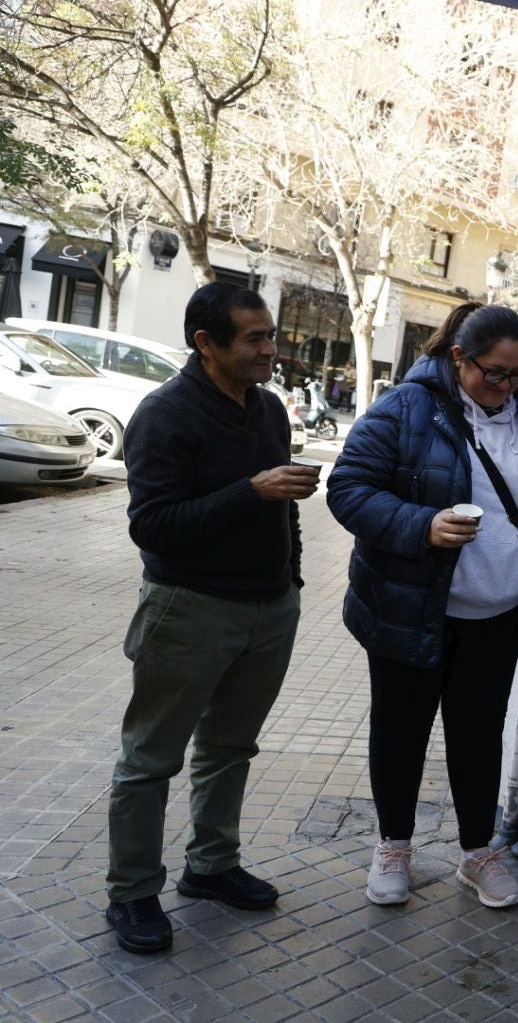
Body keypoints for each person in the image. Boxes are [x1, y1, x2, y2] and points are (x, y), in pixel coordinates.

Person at [326, 303, 518, 909]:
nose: (506, 386)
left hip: (499, 614)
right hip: (411, 608)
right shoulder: (406, 408)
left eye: (517, 373)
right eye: (493, 373)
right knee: (400, 733)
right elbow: (347, 488)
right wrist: (422, 525)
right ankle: (393, 848)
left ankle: (478, 855)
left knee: (479, 737)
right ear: (458, 357)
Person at [106, 283, 320, 954]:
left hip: (267, 609)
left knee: (230, 748)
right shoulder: (165, 415)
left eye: (270, 335)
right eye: (254, 338)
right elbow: (155, 528)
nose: (270, 349)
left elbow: (280, 506)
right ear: (207, 342)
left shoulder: (266, 411)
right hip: (188, 610)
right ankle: (133, 892)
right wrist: (249, 492)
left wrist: (290, 578)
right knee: (151, 759)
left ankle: (212, 866)